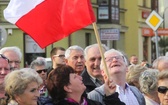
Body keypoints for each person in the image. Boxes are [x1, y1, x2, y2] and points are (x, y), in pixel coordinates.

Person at [47, 65, 125, 105]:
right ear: (67, 88)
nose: (80, 77)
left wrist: (110, 96)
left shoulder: (93, 103)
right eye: (75, 77)